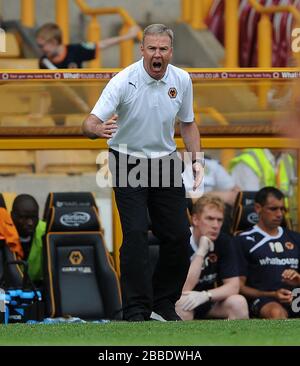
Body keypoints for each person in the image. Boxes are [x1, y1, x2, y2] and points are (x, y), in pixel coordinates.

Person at [82, 24, 204, 321]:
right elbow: (88, 123)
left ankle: (163, 303)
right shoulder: (123, 80)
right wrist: (97, 129)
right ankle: (136, 309)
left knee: (178, 236)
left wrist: (197, 160)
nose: (157, 54)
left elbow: (187, 123)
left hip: (164, 161)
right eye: (152, 48)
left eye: (163, 49)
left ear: (171, 52)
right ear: (142, 50)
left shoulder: (182, 79)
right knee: (135, 234)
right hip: (127, 160)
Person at [175, 195, 249, 320]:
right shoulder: (181, 239)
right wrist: (201, 252)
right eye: (210, 219)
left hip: (208, 299)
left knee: (239, 302)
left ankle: (233, 338)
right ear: (195, 220)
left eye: (219, 220)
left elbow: (233, 286)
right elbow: (184, 289)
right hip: (183, 297)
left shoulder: (224, 241)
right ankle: (186, 340)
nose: (215, 225)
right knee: (181, 304)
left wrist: (206, 295)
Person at [234, 186, 300, 319]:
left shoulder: (295, 238)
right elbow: (239, 287)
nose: (280, 214)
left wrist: (298, 279)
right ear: (258, 208)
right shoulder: (243, 240)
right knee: (276, 313)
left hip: (296, 295)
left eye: (282, 209)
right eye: (273, 209)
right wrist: (273, 295)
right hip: (265, 299)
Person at [35, 22, 140, 69]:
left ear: (53, 42)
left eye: (42, 46)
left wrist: (127, 36)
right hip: (56, 107)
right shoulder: (43, 62)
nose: (40, 49)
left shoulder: (75, 51)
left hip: (78, 105)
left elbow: (101, 44)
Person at [229, 148, 296, 197]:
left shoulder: (287, 159)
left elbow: (290, 194)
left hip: (282, 214)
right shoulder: (249, 162)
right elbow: (250, 203)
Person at [10, 194, 46, 284]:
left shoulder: (46, 232)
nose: (30, 223)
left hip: (37, 286)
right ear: (12, 216)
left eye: (34, 217)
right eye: (24, 217)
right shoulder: (3, 232)